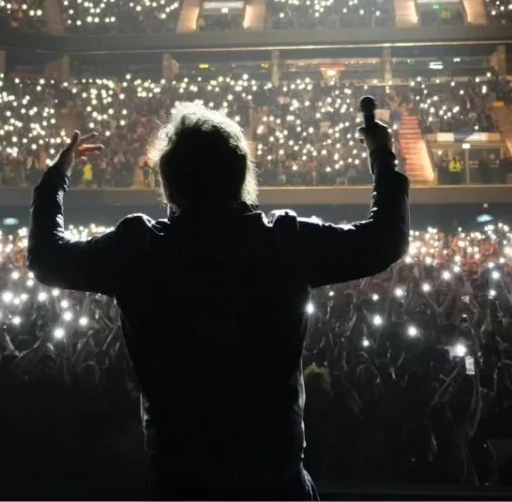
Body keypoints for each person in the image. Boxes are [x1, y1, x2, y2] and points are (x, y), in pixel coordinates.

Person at [27, 102, 410, 500]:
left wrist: (56, 178)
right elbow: (385, 240)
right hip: (273, 479)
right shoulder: (282, 242)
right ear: (240, 173)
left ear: (169, 182)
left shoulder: (139, 250)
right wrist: (382, 154)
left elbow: (47, 258)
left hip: (179, 480)